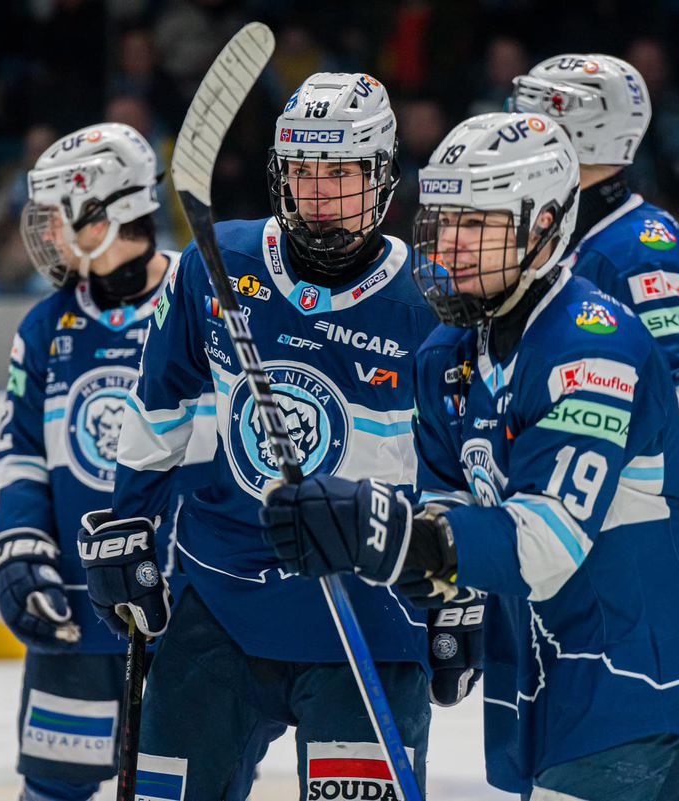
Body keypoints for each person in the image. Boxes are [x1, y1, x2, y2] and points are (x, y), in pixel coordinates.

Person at [261, 111, 679, 801]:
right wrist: (378, 545)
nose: (450, 244)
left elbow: (545, 540)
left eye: (478, 224)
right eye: (443, 219)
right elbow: (446, 531)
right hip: (550, 664)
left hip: (637, 665)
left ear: (547, 227)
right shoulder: (446, 354)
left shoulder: (592, 349)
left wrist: (386, 534)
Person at [77, 73, 471, 800]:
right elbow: (160, 401)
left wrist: (460, 591)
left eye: (342, 174)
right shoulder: (217, 264)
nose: (319, 193)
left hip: (372, 615)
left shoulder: (434, 302)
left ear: (384, 177)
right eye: (303, 172)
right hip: (223, 598)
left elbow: (462, 471)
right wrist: (130, 519)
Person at [511, 53, 679, 801]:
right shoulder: (574, 234)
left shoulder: (640, 249)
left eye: (538, 110)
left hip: (646, 569)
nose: (522, 126)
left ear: (584, 126)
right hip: (594, 566)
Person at [0, 122, 214, 801]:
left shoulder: (202, 303)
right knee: (55, 788)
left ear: (106, 214)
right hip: (79, 617)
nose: (47, 235)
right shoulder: (45, 328)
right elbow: (21, 452)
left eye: (59, 218)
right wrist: (21, 543)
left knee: (185, 789)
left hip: (189, 613)